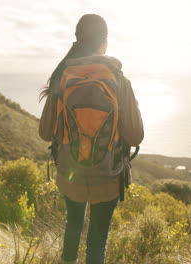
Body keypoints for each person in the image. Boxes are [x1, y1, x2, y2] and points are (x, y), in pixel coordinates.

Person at [38, 14, 144, 264]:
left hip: (70, 173)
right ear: (104, 42)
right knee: (97, 240)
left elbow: (44, 132)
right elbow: (136, 134)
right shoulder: (118, 78)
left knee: (73, 226)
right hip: (107, 176)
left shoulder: (63, 76)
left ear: (78, 40)